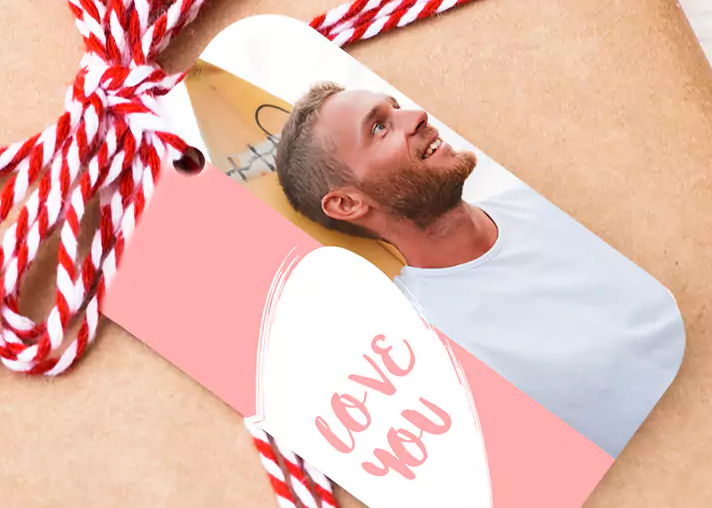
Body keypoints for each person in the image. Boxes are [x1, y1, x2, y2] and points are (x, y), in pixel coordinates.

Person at [273, 81, 685, 456]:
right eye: (379, 128)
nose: (416, 116)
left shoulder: (556, 193)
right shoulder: (426, 356)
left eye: (395, 108)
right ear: (348, 204)